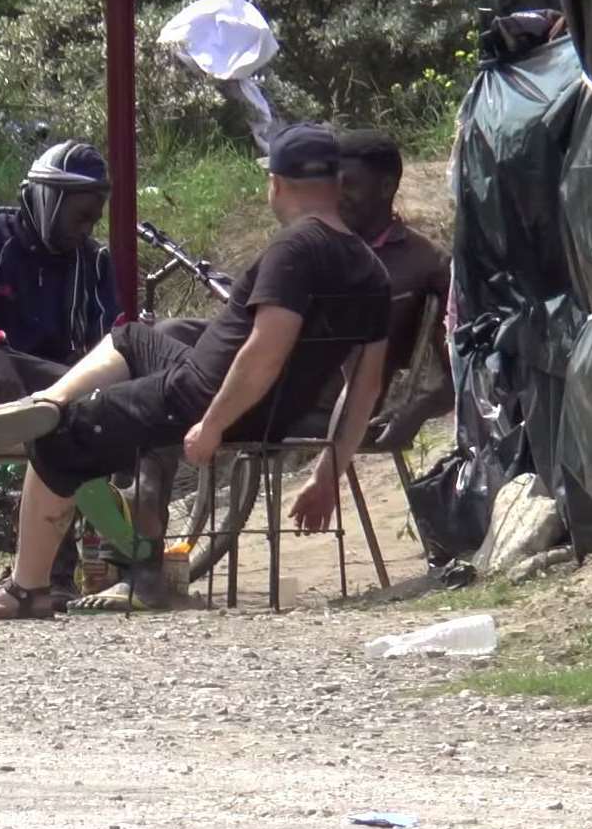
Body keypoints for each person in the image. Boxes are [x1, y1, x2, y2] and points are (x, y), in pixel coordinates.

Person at [0, 123, 392, 619]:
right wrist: (328, 474)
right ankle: (48, 398)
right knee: (135, 337)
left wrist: (214, 425)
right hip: (266, 411)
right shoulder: (372, 270)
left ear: (278, 182)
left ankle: (27, 589)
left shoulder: (295, 250)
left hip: (198, 395)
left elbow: (265, 350)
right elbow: (365, 387)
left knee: (58, 440)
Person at [72, 128, 454, 612]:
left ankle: (138, 563)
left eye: (349, 187)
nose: (339, 197)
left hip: (318, 404)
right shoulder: (311, 246)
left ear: (386, 189)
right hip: (275, 381)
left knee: (161, 412)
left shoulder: (419, 262)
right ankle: (116, 517)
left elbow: (443, 367)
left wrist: (411, 413)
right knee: (169, 336)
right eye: (335, 185)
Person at [0, 140, 118, 609]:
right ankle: (48, 572)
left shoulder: (92, 263)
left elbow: (110, 340)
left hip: (59, 392)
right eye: (79, 216)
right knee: (66, 402)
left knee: (104, 397)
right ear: (46, 200)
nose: (87, 229)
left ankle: (107, 564)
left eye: (94, 219)